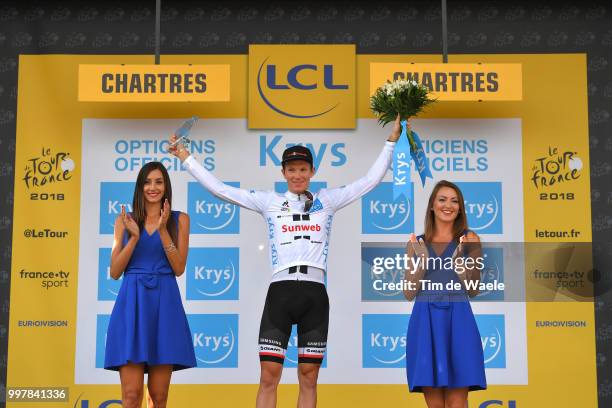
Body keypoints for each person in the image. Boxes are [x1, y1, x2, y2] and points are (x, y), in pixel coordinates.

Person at [168, 117, 401, 408]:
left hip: (315, 295)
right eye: (292, 170)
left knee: (309, 376)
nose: (298, 175)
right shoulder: (269, 201)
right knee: (269, 375)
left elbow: (369, 181)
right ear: (284, 172)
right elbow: (221, 190)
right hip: (280, 292)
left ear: (312, 171)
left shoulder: (328, 200)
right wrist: (185, 157)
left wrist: (391, 142)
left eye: (303, 169)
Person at [104, 161, 196, 408]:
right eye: (147, 181)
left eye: (158, 181)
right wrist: (134, 238)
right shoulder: (124, 220)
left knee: (159, 397)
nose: (152, 187)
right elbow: (114, 272)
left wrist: (164, 229)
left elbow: (178, 268)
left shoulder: (180, 220)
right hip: (132, 304)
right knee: (132, 396)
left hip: (165, 304)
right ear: (139, 186)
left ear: (166, 186)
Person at [403, 180, 486, 408]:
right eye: (442, 199)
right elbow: (409, 293)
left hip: (458, 320)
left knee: (457, 402)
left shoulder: (470, 239)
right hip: (425, 321)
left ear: (460, 208)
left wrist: (461, 263)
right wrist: (420, 261)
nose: (448, 205)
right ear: (432, 205)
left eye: (454, 200)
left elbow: (473, 289)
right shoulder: (417, 243)